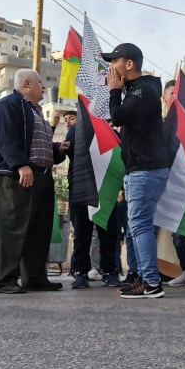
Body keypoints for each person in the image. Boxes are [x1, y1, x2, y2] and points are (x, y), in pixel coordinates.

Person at [0, 69, 68, 294]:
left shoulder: (35, 110)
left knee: (38, 230)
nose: (43, 87)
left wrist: (56, 149)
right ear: (26, 84)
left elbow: (34, 144)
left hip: (41, 174)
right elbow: (6, 139)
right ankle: (4, 279)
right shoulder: (7, 105)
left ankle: (35, 278)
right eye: (40, 83)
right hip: (17, 174)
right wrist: (20, 165)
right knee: (13, 227)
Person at [102, 42, 170, 299]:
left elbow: (118, 116)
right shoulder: (136, 90)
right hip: (138, 169)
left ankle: (152, 283)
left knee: (140, 225)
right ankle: (143, 277)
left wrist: (113, 92)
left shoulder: (143, 89)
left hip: (146, 168)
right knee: (136, 226)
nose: (111, 68)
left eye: (114, 62)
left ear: (129, 64)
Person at [67, 109, 121, 290]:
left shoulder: (110, 132)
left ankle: (109, 270)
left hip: (105, 189)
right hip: (81, 186)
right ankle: (80, 271)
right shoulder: (75, 131)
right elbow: (70, 154)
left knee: (108, 231)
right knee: (82, 233)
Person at [160, 79, 185, 288]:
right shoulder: (160, 125)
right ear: (164, 98)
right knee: (173, 230)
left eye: (177, 93)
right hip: (165, 183)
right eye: (170, 93)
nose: (174, 96)